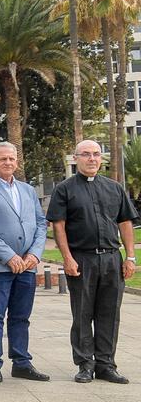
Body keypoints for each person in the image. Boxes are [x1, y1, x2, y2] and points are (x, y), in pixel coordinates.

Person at [47, 139, 137, 384]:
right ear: (76, 158)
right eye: (86, 154)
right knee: (83, 313)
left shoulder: (114, 188)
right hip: (82, 259)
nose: (92, 158)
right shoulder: (64, 189)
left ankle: (106, 364)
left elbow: (125, 222)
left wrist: (130, 256)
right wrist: (67, 258)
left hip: (111, 259)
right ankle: (85, 363)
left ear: (101, 158)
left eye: (96, 154)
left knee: (109, 313)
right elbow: (59, 225)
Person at [0, 142, 49, 382]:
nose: (8, 163)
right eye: (3, 159)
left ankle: (21, 362)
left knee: (21, 316)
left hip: (27, 265)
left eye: (12, 159)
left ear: (17, 162)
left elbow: (40, 223)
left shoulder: (27, 190)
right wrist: (9, 256)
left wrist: (34, 255)